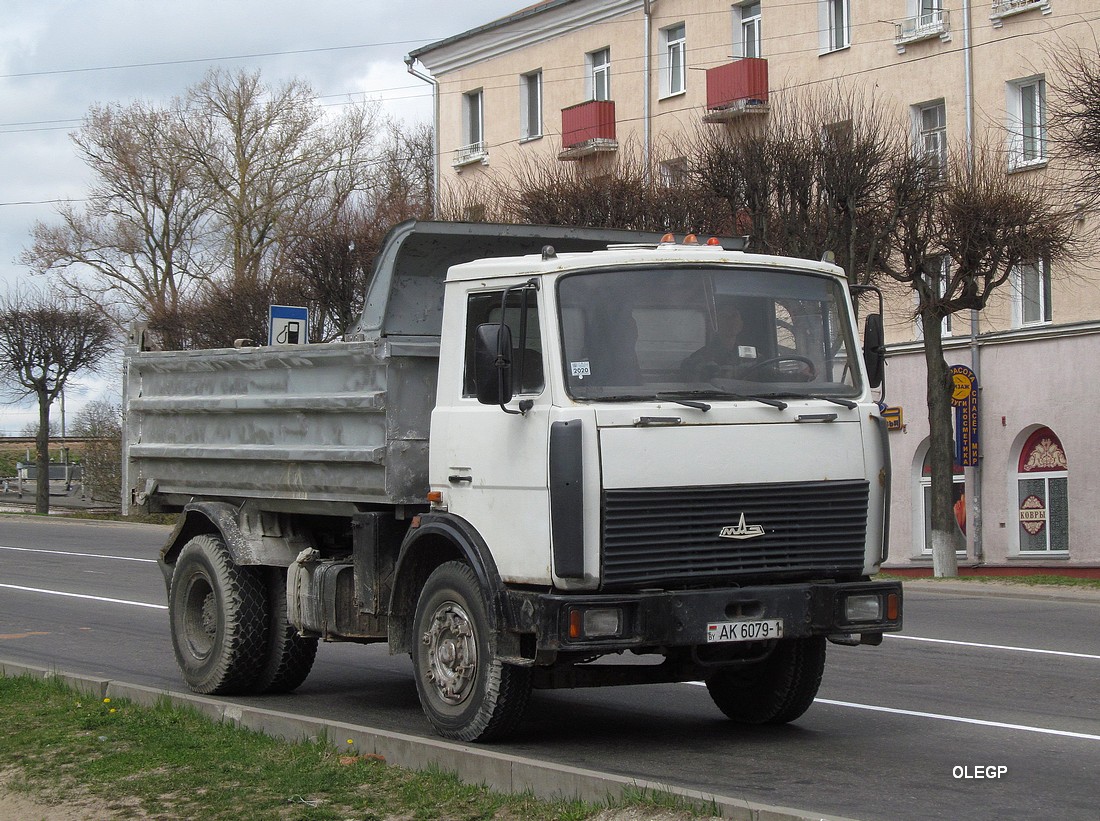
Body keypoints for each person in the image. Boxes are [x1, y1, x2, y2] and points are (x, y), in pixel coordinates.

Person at [681, 302, 748, 380]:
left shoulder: (753, 357)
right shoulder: (699, 358)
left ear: (741, 325)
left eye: (734, 316)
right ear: (715, 324)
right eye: (724, 316)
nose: (730, 320)